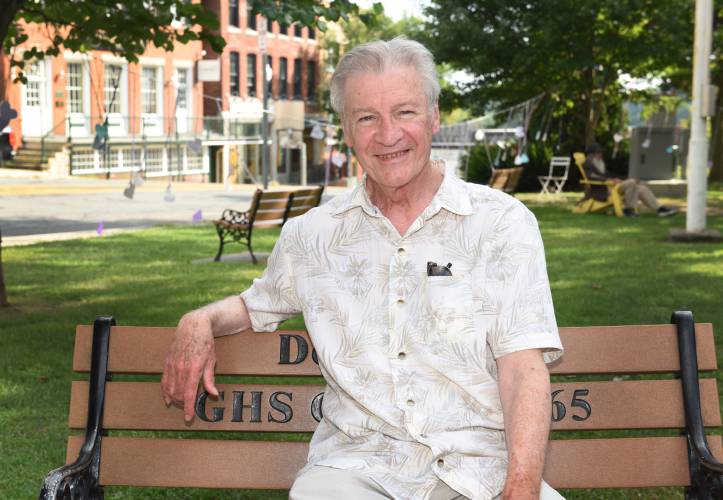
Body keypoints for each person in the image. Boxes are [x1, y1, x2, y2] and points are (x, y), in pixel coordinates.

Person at [162, 37, 564, 500]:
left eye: (405, 112)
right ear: (347, 133)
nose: (388, 134)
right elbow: (256, 305)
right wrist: (197, 321)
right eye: (367, 117)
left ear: (434, 116)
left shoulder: (501, 224)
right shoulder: (313, 236)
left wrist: (520, 490)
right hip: (354, 469)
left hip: (480, 468)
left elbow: (523, 369)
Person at [583, 143, 678, 217]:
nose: (600, 155)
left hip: (613, 187)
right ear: (592, 154)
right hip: (606, 190)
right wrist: (608, 179)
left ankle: (659, 209)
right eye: (598, 153)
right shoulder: (589, 164)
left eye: (600, 152)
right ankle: (629, 209)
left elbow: (610, 174)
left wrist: (621, 179)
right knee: (632, 182)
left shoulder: (600, 164)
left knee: (640, 188)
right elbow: (591, 177)